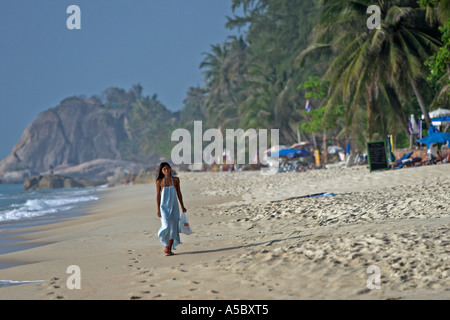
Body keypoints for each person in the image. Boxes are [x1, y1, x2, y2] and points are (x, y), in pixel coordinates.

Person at [156, 162, 187, 256]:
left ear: (170, 169)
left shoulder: (176, 180)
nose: (166, 170)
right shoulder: (159, 181)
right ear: (161, 171)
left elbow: (179, 193)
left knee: (173, 227)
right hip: (163, 207)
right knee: (166, 225)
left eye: (168, 168)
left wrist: (182, 206)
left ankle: (169, 248)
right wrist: (158, 209)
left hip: (174, 207)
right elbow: (158, 195)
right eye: (164, 169)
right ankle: (166, 245)